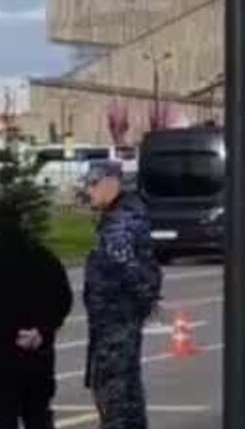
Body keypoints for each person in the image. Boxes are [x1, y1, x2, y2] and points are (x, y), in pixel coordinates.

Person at [0, 196, 74, 429]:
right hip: (36, 351)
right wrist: (42, 330)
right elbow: (62, 299)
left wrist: (1, 331)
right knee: (38, 414)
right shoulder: (43, 256)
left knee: (1, 416)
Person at [81, 160, 162, 429]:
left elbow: (126, 266)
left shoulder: (120, 221)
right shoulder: (124, 213)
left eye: (93, 184)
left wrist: (138, 302)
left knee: (116, 393)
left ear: (111, 183)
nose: (88, 190)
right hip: (116, 319)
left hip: (116, 320)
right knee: (124, 390)